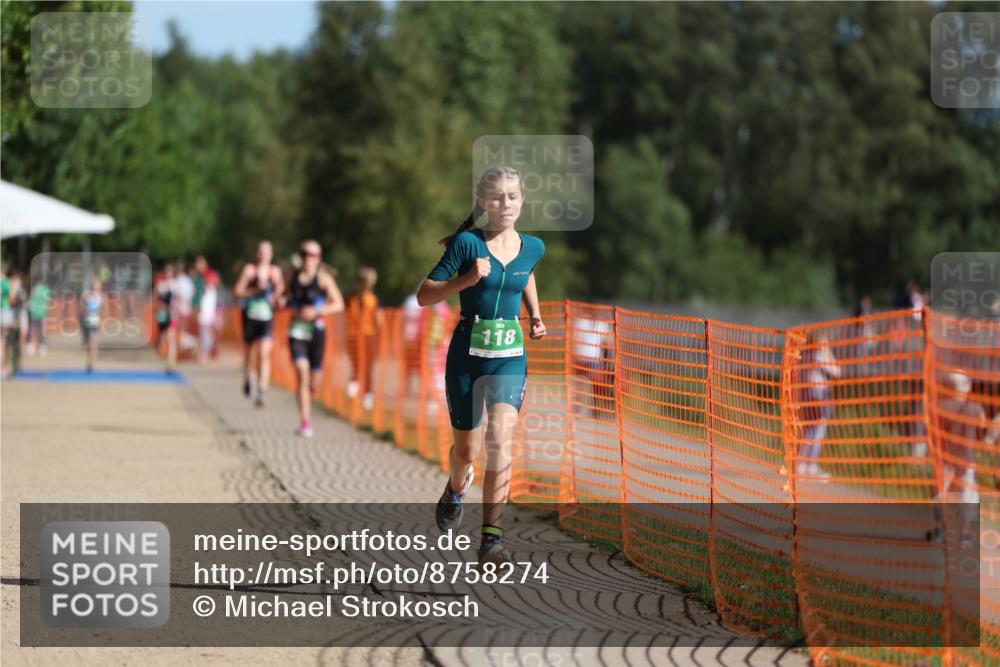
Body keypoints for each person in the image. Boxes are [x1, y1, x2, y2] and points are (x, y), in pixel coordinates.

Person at [417, 165, 546, 568]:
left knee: (500, 439)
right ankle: (456, 489)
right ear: (483, 202)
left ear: (522, 200)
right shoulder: (467, 244)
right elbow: (424, 295)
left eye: (512, 196)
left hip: (509, 356)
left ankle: (492, 540)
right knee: (467, 451)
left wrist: (535, 315)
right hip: (467, 356)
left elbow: (525, 275)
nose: (505, 203)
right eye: (496, 197)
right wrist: (466, 280)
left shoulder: (534, 247)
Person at [284, 240, 344, 437]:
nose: (308, 258)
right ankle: (305, 422)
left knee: (314, 378)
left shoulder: (323, 279)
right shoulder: (291, 277)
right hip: (297, 331)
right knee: (302, 372)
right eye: (305, 254)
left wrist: (317, 311)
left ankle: (311, 389)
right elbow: (282, 297)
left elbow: (338, 304)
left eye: (313, 255)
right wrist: (282, 301)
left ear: (319, 258)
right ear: (299, 256)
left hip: (317, 332)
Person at [234, 241, 284, 407]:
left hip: (267, 317)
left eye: (266, 252)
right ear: (256, 253)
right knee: (250, 354)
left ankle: (262, 391)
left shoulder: (275, 272)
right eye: (261, 252)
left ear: (271, 254)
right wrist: (255, 291)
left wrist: (276, 298)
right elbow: (237, 292)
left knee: (264, 353)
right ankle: (247, 378)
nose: (263, 255)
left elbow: (281, 292)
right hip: (250, 316)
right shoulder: (250, 270)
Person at [796, 331, 841, 480]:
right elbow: (836, 371)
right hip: (818, 394)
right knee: (816, 431)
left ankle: (804, 464)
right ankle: (807, 464)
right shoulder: (819, 355)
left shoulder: (805, 354)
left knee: (810, 430)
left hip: (810, 393)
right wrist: (828, 352)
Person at [345, 267, 383, 411]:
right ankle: (355, 384)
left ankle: (367, 394)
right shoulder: (350, 298)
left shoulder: (374, 300)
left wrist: (379, 337)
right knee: (357, 363)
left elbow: (379, 320)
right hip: (353, 336)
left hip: (369, 336)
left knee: (367, 367)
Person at [571, 316, 615, 420]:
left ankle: (587, 409)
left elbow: (609, 343)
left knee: (589, 386)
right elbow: (610, 343)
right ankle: (586, 409)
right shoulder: (586, 322)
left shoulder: (599, 324)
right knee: (590, 386)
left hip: (588, 359)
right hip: (589, 359)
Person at [195, 257, 220, 364]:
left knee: (207, 331)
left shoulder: (210, 275)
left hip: (209, 308)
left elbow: (213, 285)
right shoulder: (200, 277)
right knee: (204, 331)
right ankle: (206, 352)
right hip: (205, 308)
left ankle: (206, 352)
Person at [154, 264, 179, 373]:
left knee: (171, 337)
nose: (169, 274)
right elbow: (157, 298)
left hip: (171, 314)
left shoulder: (175, 285)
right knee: (163, 337)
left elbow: (178, 300)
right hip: (163, 314)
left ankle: (171, 361)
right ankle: (164, 358)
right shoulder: (162, 285)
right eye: (167, 272)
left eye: (170, 272)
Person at [80, 278, 102, 373]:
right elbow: (81, 309)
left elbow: (101, 311)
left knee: (93, 343)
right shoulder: (86, 295)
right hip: (86, 323)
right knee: (88, 344)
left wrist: (100, 322)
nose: (96, 288)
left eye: (98, 287)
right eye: (95, 286)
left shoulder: (100, 297)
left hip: (94, 323)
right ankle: (89, 360)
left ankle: (91, 363)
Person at [27, 277, 51, 356]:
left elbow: (30, 300)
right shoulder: (45, 289)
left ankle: (31, 346)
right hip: (41, 312)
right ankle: (42, 347)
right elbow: (48, 301)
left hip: (33, 312)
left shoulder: (34, 289)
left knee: (33, 329)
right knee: (42, 331)